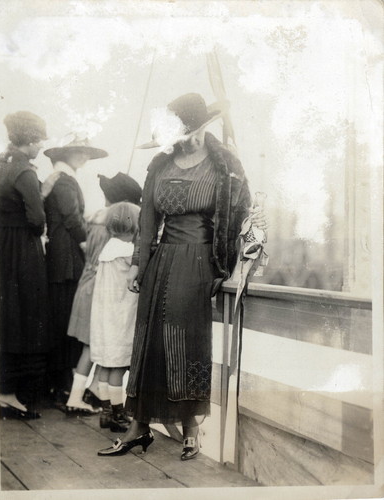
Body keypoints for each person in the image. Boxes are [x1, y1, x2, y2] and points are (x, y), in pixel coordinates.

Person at [98, 93, 267, 458]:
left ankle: (191, 427)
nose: (186, 141)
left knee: (186, 341)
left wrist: (230, 268)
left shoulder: (227, 166)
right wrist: (140, 264)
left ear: (206, 128)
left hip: (200, 263)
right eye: (180, 135)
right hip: (162, 262)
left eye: (192, 133)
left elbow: (242, 219)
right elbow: (147, 221)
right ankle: (139, 427)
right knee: (148, 342)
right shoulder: (160, 165)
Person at [65, 173, 142, 415]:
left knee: (97, 346)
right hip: (102, 290)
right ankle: (79, 398)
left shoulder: (98, 220)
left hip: (90, 284)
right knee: (96, 347)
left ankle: (96, 392)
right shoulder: (115, 229)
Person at [42, 135, 108, 408]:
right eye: (78, 152)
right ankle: (63, 387)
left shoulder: (58, 179)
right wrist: (87, 245)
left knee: (62, 320)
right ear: (65, 154)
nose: (84, 156)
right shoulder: (65, 181)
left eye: (85, 152)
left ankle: (63, 384)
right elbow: (72, 219)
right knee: (65, 323)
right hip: (67, 260)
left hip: (60, 258)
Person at [0, 111, 50, 419]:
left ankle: (3, 387)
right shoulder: (25, 172)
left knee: (6, 315)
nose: (42, 145)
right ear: (30, 140)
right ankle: (11, 393)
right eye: (40, 139)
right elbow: (37, 219)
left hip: (0, 247)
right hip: (22, 250)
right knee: (27, 313)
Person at [90, 202, 140, 434]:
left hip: (104, 317)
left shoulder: (108, 249)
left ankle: (106, 411)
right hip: (119, 318)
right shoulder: (128, 252)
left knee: (106, 366)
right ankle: (118, 414)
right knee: (118, 367)